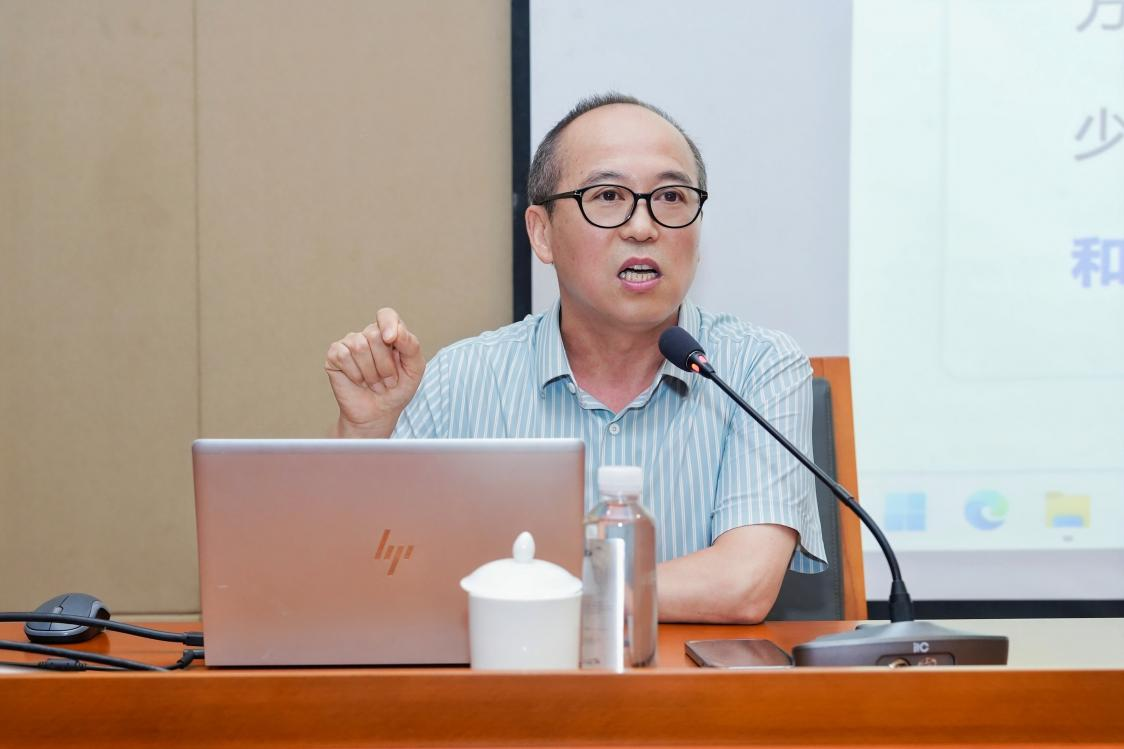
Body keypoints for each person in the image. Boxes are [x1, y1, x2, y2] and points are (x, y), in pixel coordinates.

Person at [324, 93, 825, 624]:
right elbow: (364, 572)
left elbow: (742, 584)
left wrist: (536, 588)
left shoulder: (756, 368)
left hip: (682, 679)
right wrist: (367, 433)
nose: (643, 227)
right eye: (608, 196)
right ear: (542, 233)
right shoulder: (461, 378)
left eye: (672, 197)